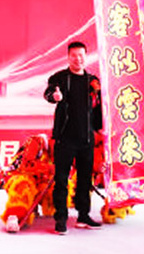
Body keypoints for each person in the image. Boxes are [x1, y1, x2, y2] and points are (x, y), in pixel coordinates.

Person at [43, 41, 103, 234]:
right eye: (74, 56)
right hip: (65, 138)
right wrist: (54, 97)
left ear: (86, 56)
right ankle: (60, 219)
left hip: (87, 139)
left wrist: (100, 129)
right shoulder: (59, 78)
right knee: (61, 180)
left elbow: (99, 108)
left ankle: (83, 216)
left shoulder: (93, 81)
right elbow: (49, 92)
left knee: (85, 181)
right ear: (68, 57)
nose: (78, 59)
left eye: (81, 55)